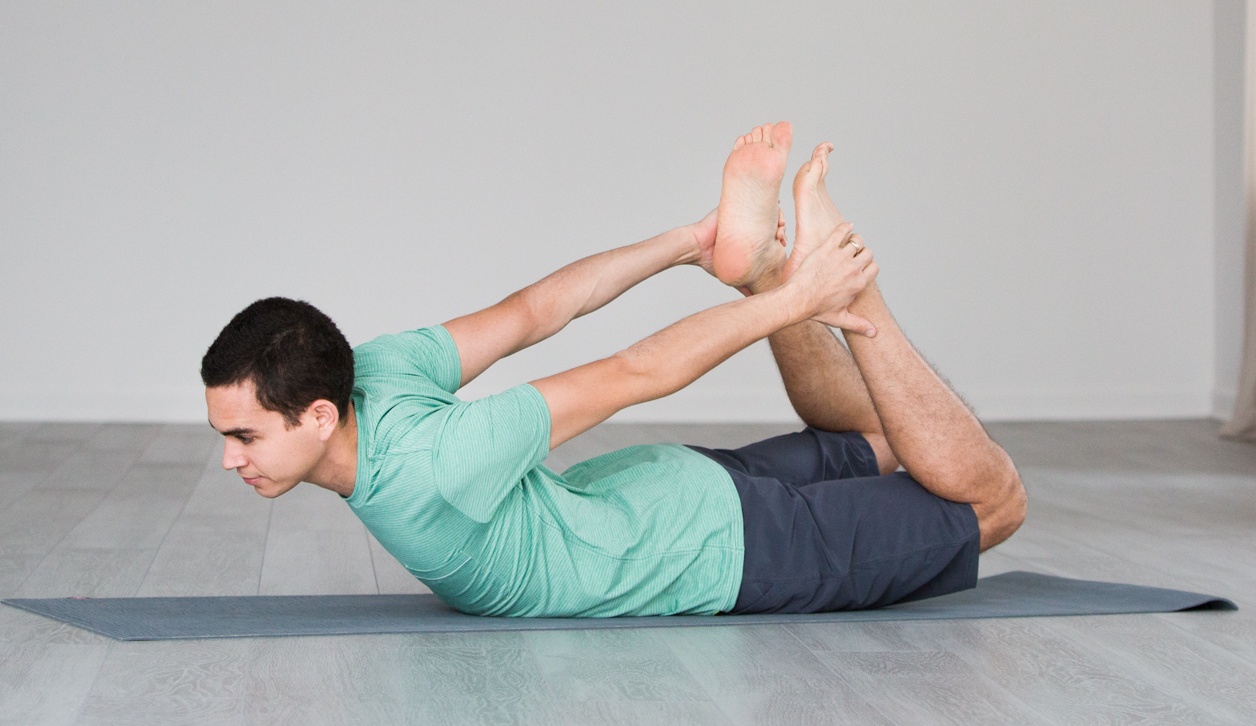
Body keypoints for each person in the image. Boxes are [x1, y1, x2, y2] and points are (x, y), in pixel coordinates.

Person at [201, 123, 1026, 617]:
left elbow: (637, 371)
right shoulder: (372, 369)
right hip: (658, 496)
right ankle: (768, 270)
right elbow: (534, 310)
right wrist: (692, 245)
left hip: (714, 551)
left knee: (994, 504)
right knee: (888, 434)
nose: (231, 458)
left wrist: (799, 296)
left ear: (318, 415)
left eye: (244, 436)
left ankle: (842, 284)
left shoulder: (435, 469)